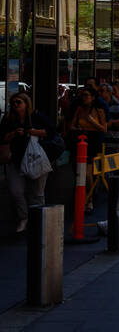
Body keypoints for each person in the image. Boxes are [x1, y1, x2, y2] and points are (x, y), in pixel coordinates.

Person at [1, 92, 54, 232]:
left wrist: (31, 131)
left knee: (37, 193)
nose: (15, 105)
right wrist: (13, 134)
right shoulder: (8, 120)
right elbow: (3, 138)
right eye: (13, 103)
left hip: (35, 158)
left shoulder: (36, 117)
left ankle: (38, 220)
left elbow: (51, 132)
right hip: (15, 159)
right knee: (16, 191)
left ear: (26, 103)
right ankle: (24, 217)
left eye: (19, 102)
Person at [68, 87, 107, 210]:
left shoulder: (98, 110)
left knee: (88, 173)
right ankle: (84, 197)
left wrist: (91, 122)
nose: (84, 98)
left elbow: (104, 128)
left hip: (93, 141)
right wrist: (79, 129)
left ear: (92, 97)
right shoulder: (80, 109)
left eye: (86, 95)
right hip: (81, 140)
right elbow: (71, 125)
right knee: (80, 172)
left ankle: (89, 198)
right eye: (83, 95)